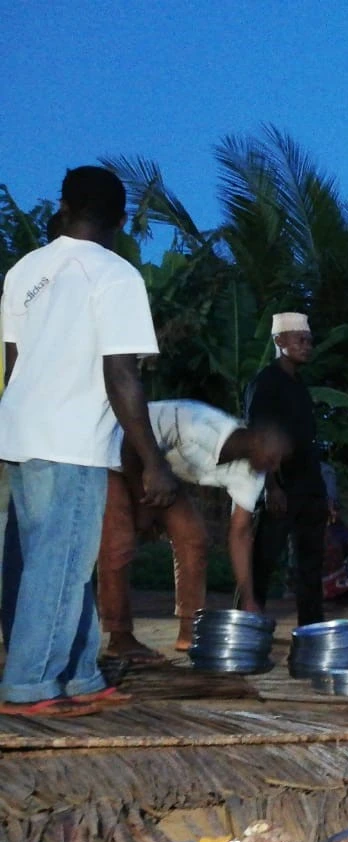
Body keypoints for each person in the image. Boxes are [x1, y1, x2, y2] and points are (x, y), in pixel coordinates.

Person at [0, 166, 178, 715]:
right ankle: (29, 684)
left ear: (64, 205)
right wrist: (152, 460)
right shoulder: (115, 274)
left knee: (56, 560)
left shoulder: (26, 269)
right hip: (70, 437)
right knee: (61, 565)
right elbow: (121, 374)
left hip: (22, 432)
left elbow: (10, 359)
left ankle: (78, 674)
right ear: (122, 219)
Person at [99, 400, 289, 659]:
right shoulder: (197, 425)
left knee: (193, 537)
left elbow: (240, 533)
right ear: (256, 439)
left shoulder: (254, 472)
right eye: (274, 456)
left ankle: (190, 631)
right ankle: (119, 636)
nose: (275, 466)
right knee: (119, 542)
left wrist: (248, 598)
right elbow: (132, 443)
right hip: (116, 453)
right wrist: (143, 509)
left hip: (160, 472)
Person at [245, 313, 326, 628]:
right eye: (300, 340)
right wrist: (271, 487)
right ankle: (246, 625)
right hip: (281, 487)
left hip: (310, 488)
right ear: (279, 341)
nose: (308, 346)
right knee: (263, 560)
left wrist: (322, 492)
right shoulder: (265, 383)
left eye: (309, 341)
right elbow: (257, 436)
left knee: (310, 566)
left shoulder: (299, 385)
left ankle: (312, 631)